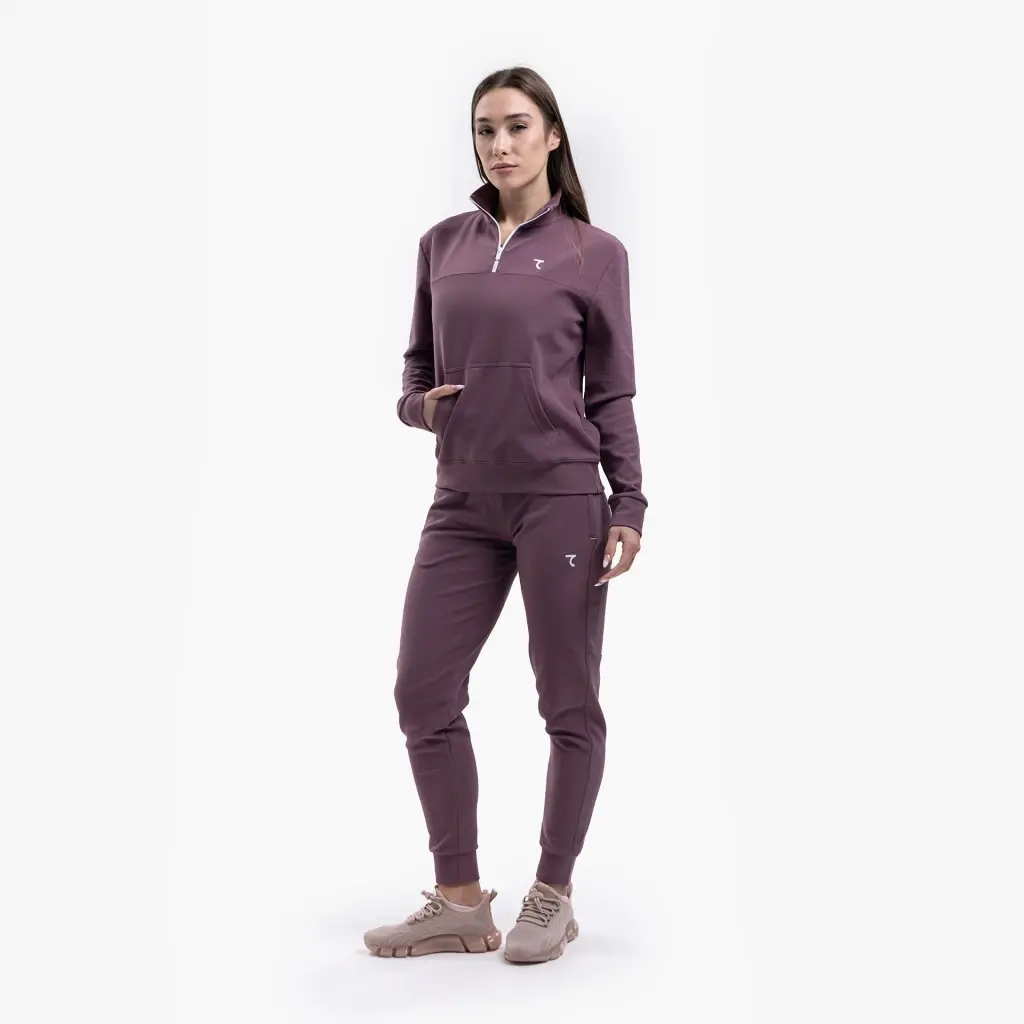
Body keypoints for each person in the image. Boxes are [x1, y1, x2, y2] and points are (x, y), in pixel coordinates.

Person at [363, 66, 647, 964]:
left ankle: (553, 894)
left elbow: (613, 390)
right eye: (486, 129)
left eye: (518, 126)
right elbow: (414, 371)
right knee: (422, 691)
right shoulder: (441, 243)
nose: (501, 144)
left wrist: (629, 500)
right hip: (461, 501)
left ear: (552, 135)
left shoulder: (594, 253)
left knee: (567, 700)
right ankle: (459, 901)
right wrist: (423, 409)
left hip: (561, 499)